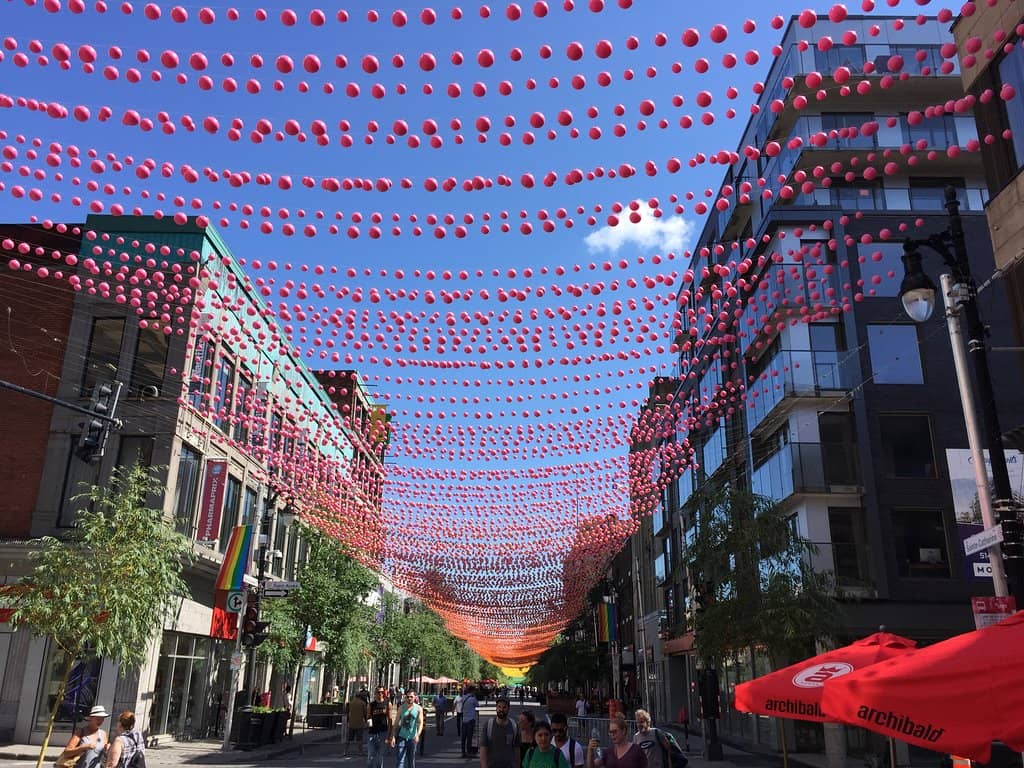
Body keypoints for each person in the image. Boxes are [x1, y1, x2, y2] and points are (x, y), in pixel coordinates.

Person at [480, 697, 518, 768]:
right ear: (496, 708)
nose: (501, 710)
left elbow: (516, 749)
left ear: (508, 709)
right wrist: (484, 766)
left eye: (504, 707)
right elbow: (483, 749)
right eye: (499, 707)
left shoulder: (514, 726)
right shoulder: (488, 725)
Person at [392, 691, 423, 768]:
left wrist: (417, 735)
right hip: (401, 737)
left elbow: (420, 723)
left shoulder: (418, 709)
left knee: (411, 761)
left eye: (411, 697)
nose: (409, 698)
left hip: (412, 738)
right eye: (408, 697)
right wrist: (393, 736)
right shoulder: (401, 708)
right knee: (400, 761)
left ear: (415, 698)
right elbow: (396, 723)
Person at [367, 686, 394, 768]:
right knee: (370, 755)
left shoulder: (387, 704)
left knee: (379, 756)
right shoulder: (371, 705)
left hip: (383, 732)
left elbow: (390, 720)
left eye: (382, 692)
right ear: (375, 693)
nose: (380, 694)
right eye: (378, 692)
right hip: (372, 732)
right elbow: (368, 716)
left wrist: (390, 735)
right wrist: (368, 721)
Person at [346, 690, 371, 756]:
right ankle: (360, 751)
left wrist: (348, 721)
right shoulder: (362, 703)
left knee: (348, 738)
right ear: (360, 697)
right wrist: (366, 721)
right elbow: (365, 713)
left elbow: (348, 713)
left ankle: (345, 751)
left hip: (351, 723)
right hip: (359, 723)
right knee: (359, 738)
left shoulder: (351, 703)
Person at [460, 687, 479, 758]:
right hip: (471, 719)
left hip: (464, 719)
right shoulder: (473, 699)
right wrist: (474, 697)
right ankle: (469, 751)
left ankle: (463, 752)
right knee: (469, 737)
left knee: (463, 737)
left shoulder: (463, 698)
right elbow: (477, 705)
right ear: (472, 691)